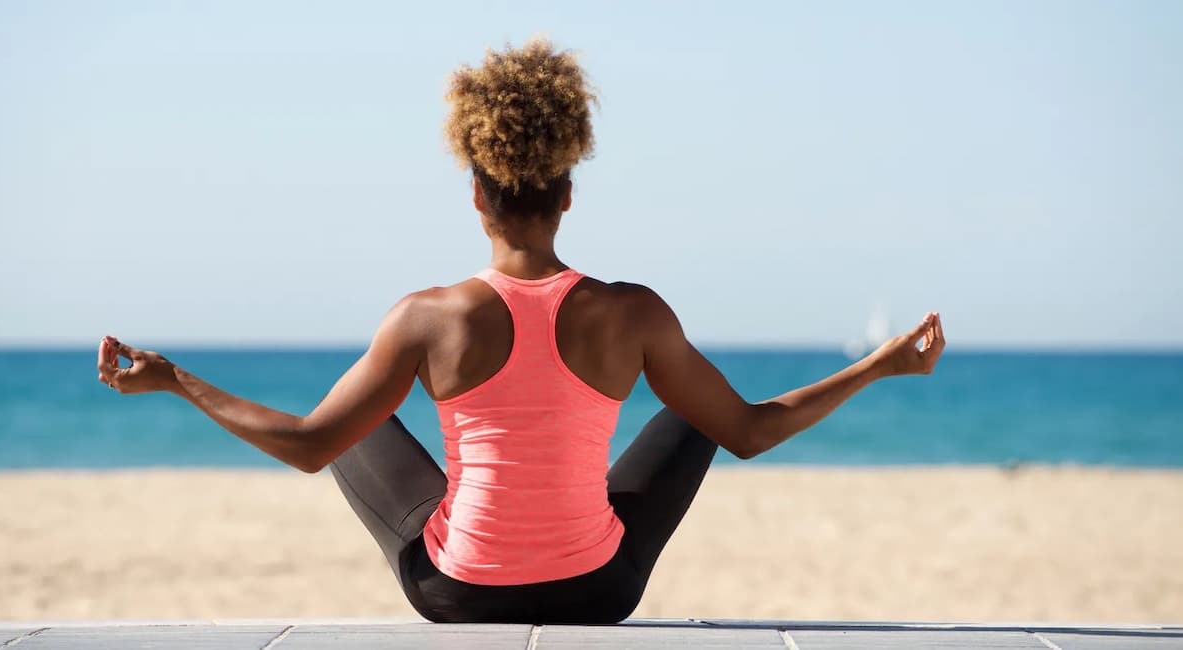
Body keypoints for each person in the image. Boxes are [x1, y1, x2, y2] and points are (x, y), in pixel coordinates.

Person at [95, 39, 946, 625]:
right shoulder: (633, 313)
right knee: (700, 412)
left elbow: (310, 444)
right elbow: (754, 432)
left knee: (356, 427)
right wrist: (877, 365)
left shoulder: (425, 319)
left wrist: (175, 380)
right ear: (568, 194)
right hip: (597, 592)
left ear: (476, 194)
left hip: (457, 594)